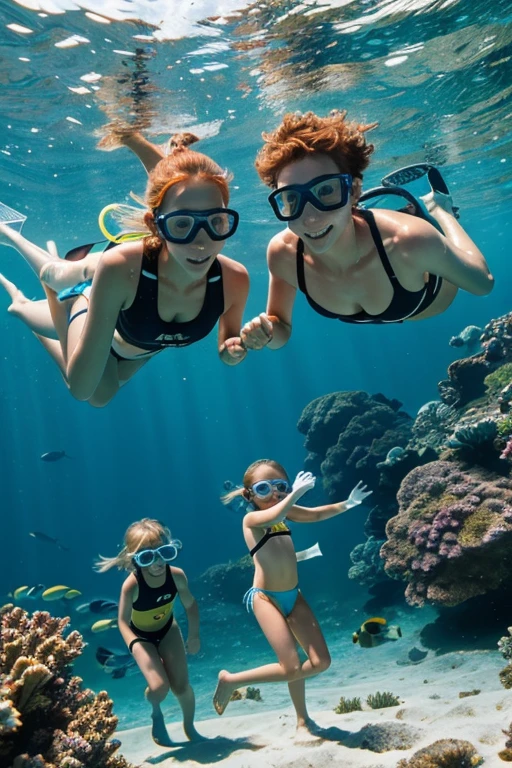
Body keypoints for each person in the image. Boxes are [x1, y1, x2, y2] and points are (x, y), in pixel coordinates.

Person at [0, 131, 249, 407]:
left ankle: (27, 297)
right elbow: (80, 387)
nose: (202, 243)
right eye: (181, 225)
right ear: (156, 226)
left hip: (137, 341)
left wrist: (233, 352)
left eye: (216, 223)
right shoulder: (123, 268)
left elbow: (227, 348)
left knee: (101, 394)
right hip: (99, 304)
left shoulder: (234, 280)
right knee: (90, 392)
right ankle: (55, 284)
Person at [238, 110, 494, 350]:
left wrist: (444, 216)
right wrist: (266, 332)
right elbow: (281, 329)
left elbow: (483, 284)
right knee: (339, 221)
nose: (310, 217)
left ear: (354, 191)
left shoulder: (410, 242)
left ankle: (439, 209)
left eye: (326, 191)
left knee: (428, 222)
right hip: (357, 224)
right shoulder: (284, 254)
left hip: (428, 293)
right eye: (292, 198)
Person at [213, 459, 372, 736]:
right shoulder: (250, 519)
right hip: (265, 598)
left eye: (280, 486)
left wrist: (349, 503)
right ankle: (231, 680)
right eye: (264, 488)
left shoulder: (284, 513)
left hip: (293, 596)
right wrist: (295, 492)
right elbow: (273, 516)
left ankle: (302, 719)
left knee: (321, 662)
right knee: (291, 668)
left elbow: (314, 515)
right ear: (248, 495)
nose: (274, 493)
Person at [95, 518, 202, 747]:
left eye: (164, 552)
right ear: (133, 559)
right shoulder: (131, 586)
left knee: (181, 686)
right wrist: (135, 646)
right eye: (146, 557)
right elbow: (122, 622)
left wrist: (194, 635)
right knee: (158, 687)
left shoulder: (177, 576)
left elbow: (191, 605)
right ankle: (156, 711)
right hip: (141, 638)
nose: (157, 562)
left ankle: (190, 727)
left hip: (168, 630)